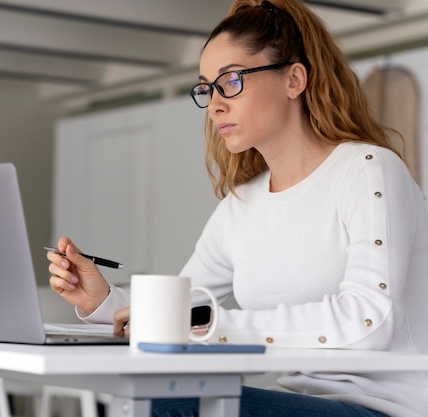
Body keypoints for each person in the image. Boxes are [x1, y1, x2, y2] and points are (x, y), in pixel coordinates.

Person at [46, 0, 428, 416]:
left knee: (171, 401)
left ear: (294, 79)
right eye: (207, 88)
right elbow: (178, 308)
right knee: (154, 397)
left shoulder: (368, 170)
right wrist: (100, 300)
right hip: (298, 403)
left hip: (386, 408)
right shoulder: (241, 206)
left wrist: (211, 326)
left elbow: (369, 320)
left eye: (230, 81)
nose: (214, 104)